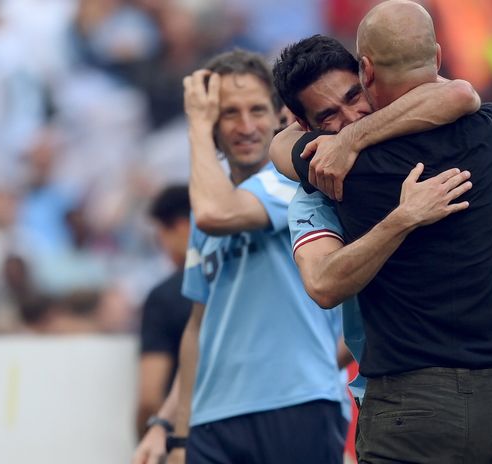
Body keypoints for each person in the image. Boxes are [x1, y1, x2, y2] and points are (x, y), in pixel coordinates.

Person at [272, 33, 492, 464]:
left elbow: (456, 94)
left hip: (466, 392)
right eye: (330, 116)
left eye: (353, 96)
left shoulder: (416, 140)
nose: (350, 116)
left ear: (368, 77)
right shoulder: (319, 190)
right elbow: (323, 283)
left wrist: (348, 140)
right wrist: (401, 219)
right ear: (305, 128)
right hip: (438, 393)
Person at [132, 49, 347, 464]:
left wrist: (195, 121)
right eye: (229, 113)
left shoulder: (296, 185)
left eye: (256, 110)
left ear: (279, 116)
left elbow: (216, 213)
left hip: (298, 405)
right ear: (214, 125)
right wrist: (170, 430)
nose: (246, 126)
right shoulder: (205, 209)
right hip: (214, 421)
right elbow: (198, 329)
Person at [136, 185, 192, 436]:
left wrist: (148, 438)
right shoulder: (237, 279)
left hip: (191, 438)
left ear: (180, 227)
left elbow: (150, 396)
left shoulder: (164, 297)